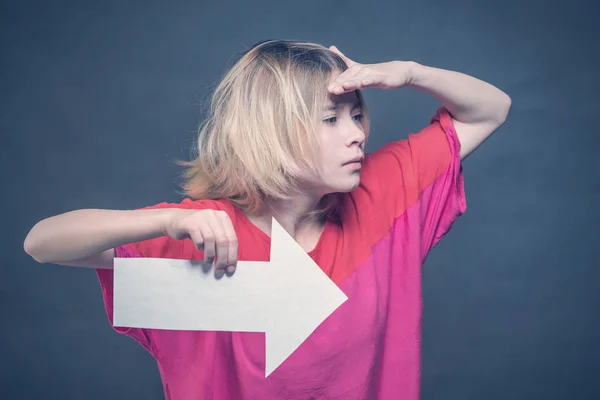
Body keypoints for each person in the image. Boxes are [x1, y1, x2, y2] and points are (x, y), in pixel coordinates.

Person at [24, 40, 511, 399]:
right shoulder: (203, 233)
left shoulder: (382, 196)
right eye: (330, 119)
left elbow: (489, 110)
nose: (356, 134)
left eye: (356, 114)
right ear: (270, 132)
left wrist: (409, 71)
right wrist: (166, 220)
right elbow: (42, 243)